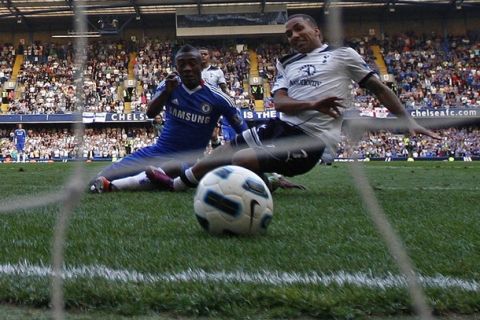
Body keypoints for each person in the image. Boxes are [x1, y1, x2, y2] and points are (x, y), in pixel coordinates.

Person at [146, 14, 440, 192]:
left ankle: (264, 184)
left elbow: (378, 88)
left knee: (241, 160)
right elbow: (280, 102)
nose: (293, 36)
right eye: (288, 33)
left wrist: (406, 118)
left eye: (298, 29)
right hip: (281, 125)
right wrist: (312, 103)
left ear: (317, 32)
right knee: (224, 149)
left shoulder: (344, 55)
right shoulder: (286, 62)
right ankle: (177, 185)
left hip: (312, 139)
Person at [89, 44, 247, 192]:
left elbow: (244, 131)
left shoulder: (217, 97)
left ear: (201, 65)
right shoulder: (168, 85)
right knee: (97, 179)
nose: (187, 68)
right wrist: (166, 93)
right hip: (158, 151)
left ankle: (116, 186)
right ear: (176, 67)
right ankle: (129, 179)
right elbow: (150, 113)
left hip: (189, 159)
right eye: (182, 64)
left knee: (174, 167)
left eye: (192, 63)